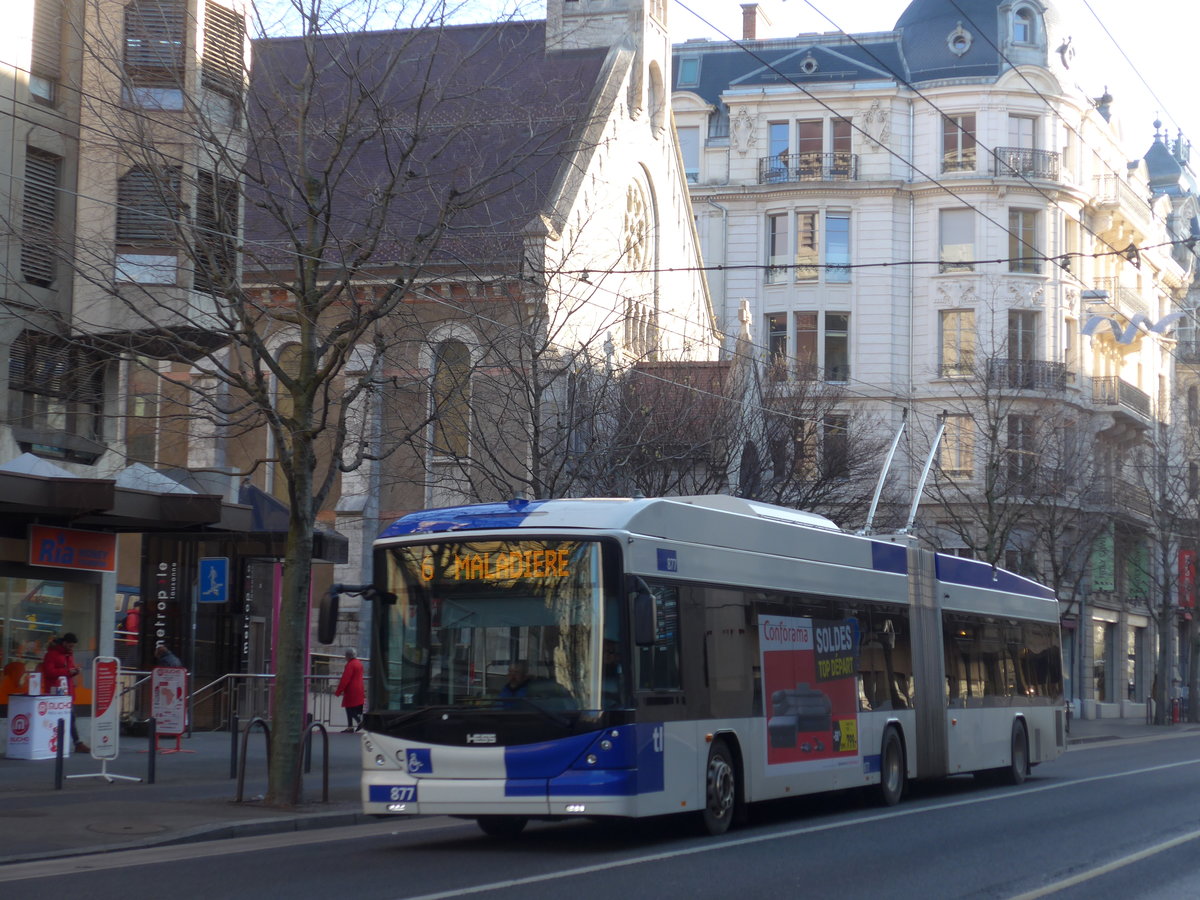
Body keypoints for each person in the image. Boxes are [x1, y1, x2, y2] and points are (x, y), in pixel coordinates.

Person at [41, 633, 88, 753]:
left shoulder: (69, 655)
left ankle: (74, 743)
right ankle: (76, 742)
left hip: (67, 690)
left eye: (73, 646)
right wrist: (68, 671)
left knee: (70, 717)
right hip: (55, 690)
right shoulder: (52, 654)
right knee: (69, 717)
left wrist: (74, 671)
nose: (72, 648)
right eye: (70, 646)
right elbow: (49, 672)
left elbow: (67, 670)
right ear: (64, 643)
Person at [334, 648, 365, 732]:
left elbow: (345, 679)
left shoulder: (350, 665)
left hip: (351, 689)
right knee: (351, 708)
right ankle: (350, 726)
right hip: (359, 688)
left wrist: (338, 691)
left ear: (348, 656)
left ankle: (359, 722)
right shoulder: (359, 663)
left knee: (349, 709)